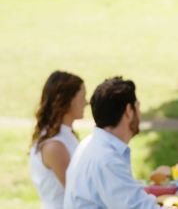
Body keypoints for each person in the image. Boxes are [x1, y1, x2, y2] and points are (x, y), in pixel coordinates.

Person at [64, 77, 161, 209]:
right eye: (137, 107)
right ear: (129, 111)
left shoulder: (90, 144)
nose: (140, 114)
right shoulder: (107, 159)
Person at [30, 71, 87, 209]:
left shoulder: (66, 135)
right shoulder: (54, 146)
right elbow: (79, 194)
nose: (86, 102)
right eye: (82, 96)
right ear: (68, 100)